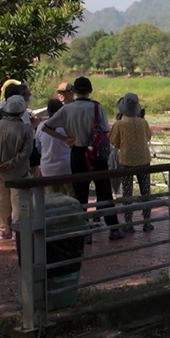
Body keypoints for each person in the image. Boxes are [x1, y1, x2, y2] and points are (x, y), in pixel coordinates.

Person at [42, 76, 126, 240]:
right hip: (96, 154)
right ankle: (113, 228)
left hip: (77, 153)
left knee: (80, 193)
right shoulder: (97, 107)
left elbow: (47, 126)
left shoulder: (67, 109)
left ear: (73, 91)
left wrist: (65, 138)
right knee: (104, 192)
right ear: (90, 90)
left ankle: (83, 231)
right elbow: (104, 130)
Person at [0, 95, 34, 240]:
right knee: (18, 201)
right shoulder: (25, 129)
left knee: (1, 199)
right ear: (21, 111)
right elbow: (26, 152)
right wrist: (12, 163)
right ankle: (16, 230)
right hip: (18, 172)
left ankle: (1, 229)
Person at [110, 93, 154, 232]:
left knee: (127, 193)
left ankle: (128, 223)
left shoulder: (120, 124)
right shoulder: (143, 122)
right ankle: (147, 222)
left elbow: (114, 142)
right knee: (145, 191)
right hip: (144, 159)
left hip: (127, 160)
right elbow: (148, 137)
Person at [35, 99, 73, 195]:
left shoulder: (41, 127)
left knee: (52, 197)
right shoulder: (68, 125)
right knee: (72, 194)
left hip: (48, 167)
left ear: (48, 111)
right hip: (67, 166)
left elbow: (38, 147)